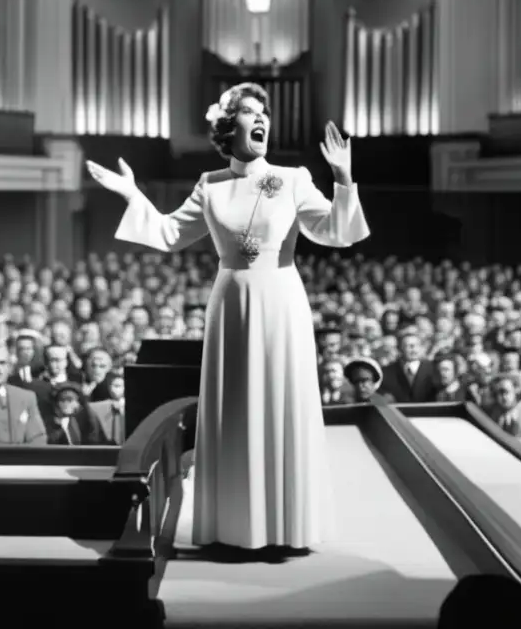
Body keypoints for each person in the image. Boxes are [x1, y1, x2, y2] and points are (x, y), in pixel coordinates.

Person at [87, 82, 370, 552]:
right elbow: (168, 232)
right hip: (231, 301)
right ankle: (237, 527)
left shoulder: (295, 178)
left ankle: (288, 527)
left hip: (281, 300)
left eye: (265, 113)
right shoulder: (210, 185)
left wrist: (342, 178)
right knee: (235, 406)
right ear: (227, 126)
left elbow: (337, 232)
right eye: (250, 113)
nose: (261, 119)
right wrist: (132, 194)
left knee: (282, 400)